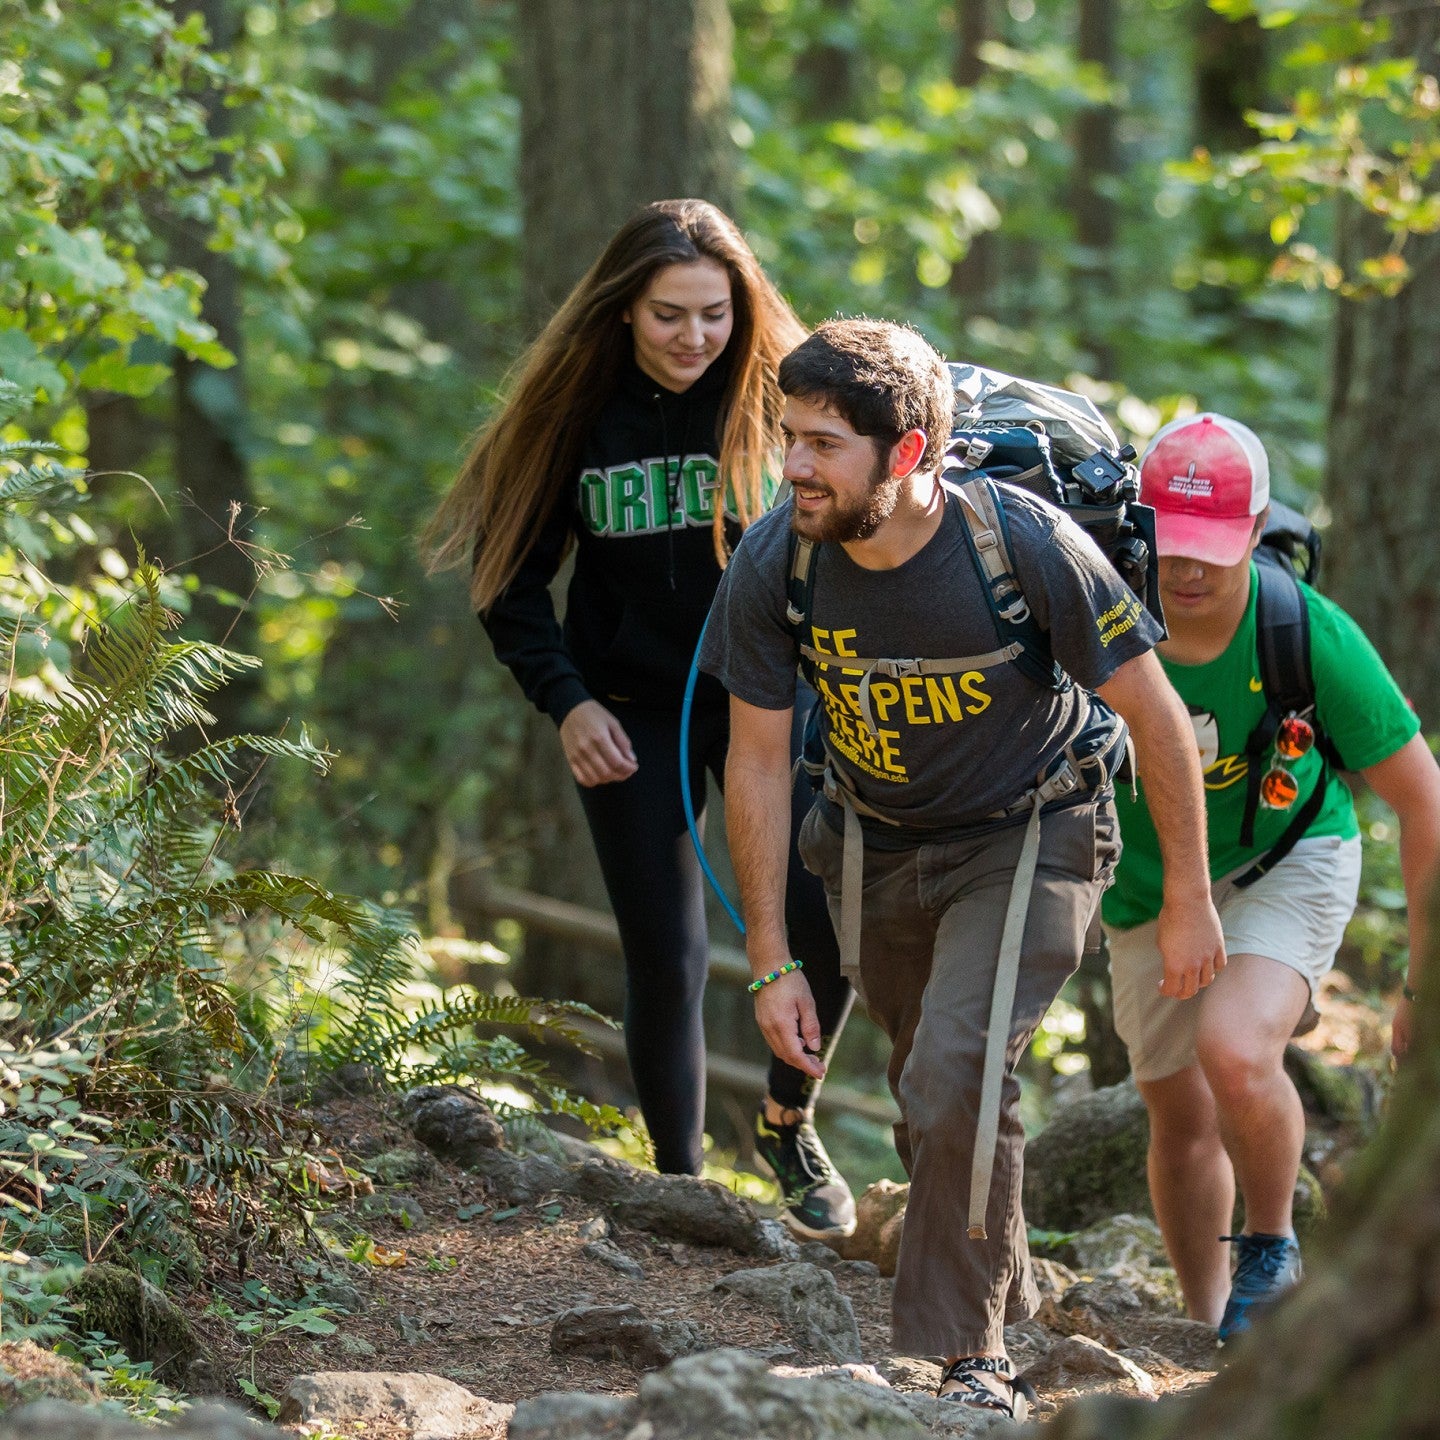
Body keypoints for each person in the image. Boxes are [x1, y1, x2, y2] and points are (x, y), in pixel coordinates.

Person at [700, 318, 1223, 1418]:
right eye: (789, 436)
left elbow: (1158, 716)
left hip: (1032, 831)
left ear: (906, 454)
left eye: (824, 444)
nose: (793, 464)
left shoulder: (1023, 546)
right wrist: (766, 956)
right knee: (928, 1087)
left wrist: (1188, 898)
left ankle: (967, 1360)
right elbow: (753, 762)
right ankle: (1011, 1284)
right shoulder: (776, 553)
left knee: (959, 1075)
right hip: (868, 843)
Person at [423, 199, 857, 1237]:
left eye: (714, 315)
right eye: (669, 314)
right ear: (624, 310)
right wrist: (565, 701)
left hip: (768, 698)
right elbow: (508, 584)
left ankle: (788, 1127)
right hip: (627, 708)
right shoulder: (574, 414)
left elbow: (860, 534)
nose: (693, 338)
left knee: (819, 921)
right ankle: (677, 1184)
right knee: (666, 951)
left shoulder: (780, 404)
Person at [1102, 412, 1440, 1342]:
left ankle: (1270, 1244)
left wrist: (1423, 982)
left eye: (1217, 545)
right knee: (1177, 1116)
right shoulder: (1098, 609)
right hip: (1146, 885)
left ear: (1255, 532)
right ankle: (1212, 1324)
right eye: (1171, 542)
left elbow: (1423, 799)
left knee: (1237, 1051)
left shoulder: (1305, 633)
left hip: (1287, 857)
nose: (1190, 568)